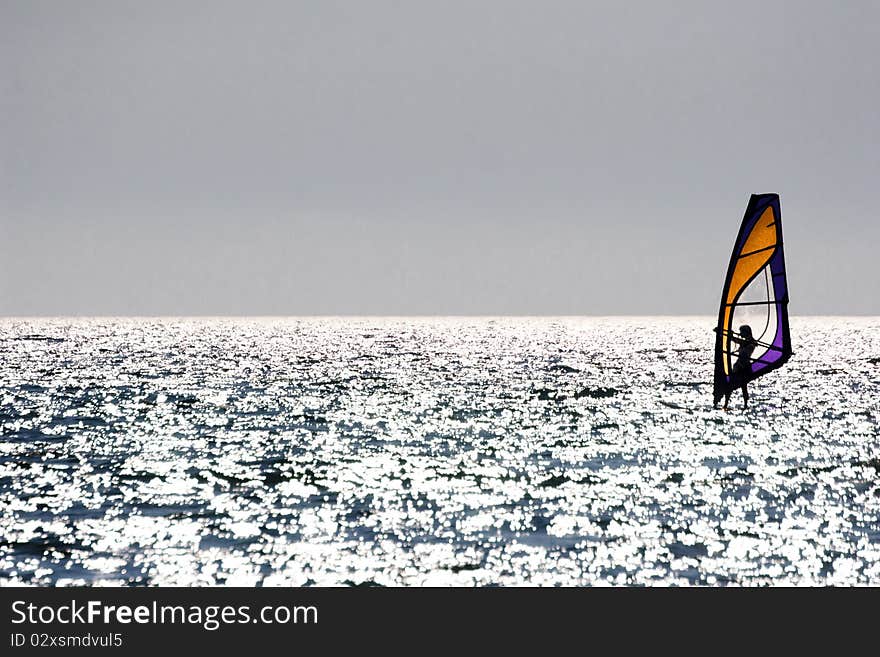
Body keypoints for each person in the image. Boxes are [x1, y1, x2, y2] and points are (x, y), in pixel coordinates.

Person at [714, 324, 757, 410]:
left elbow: (747, 344)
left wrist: (732, 336)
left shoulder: (751, 343)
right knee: (731, 385)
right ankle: (726, 404)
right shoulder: (744, 342)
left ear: (747, 333)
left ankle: (744, 405)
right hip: (739, 366)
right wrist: (726, 334)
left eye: (742, 332)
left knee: (742, 386)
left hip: (745, 367)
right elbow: (737, 340)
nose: (740, 334)